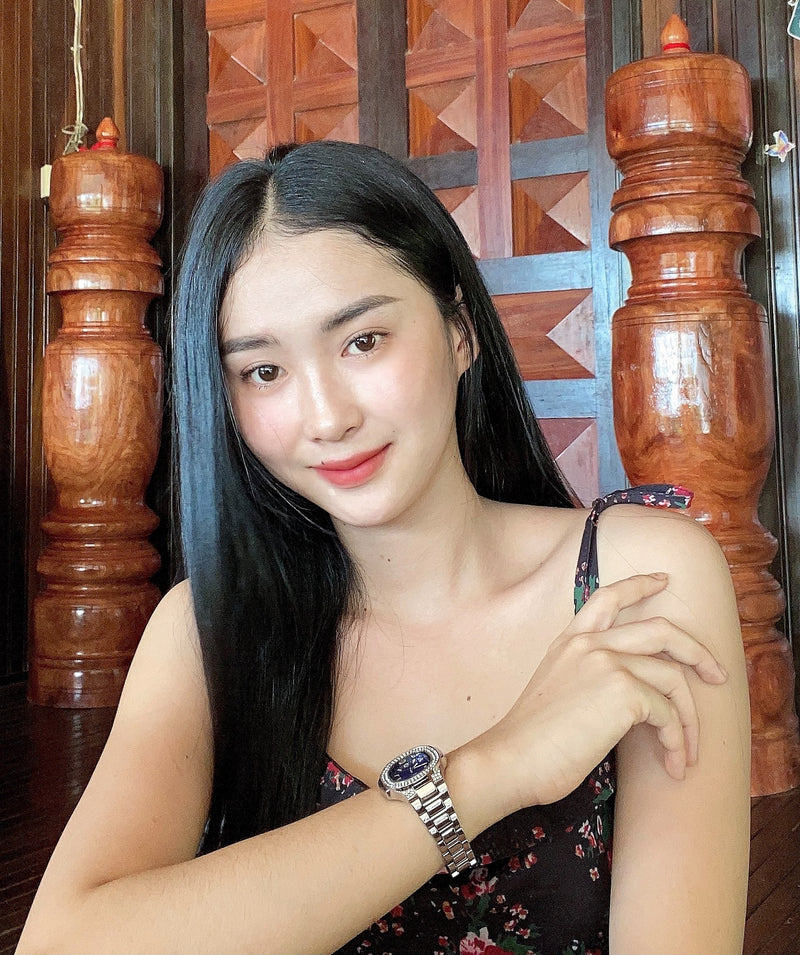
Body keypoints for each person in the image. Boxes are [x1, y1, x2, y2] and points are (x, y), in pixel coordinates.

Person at [18, 140, 750, 955]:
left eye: (363, 341)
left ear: (460, 330)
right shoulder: (208, 631)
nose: (327, 416)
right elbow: (63, 943)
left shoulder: (639, 585)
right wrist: (490, 770)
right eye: (263, 372)